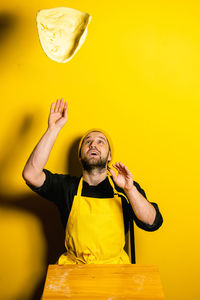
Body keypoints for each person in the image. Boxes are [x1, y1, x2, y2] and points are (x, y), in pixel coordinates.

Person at [22, 98, 163, 264]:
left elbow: (152, 222)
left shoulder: (126, 188)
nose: (93, 145)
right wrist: (54, 128)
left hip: (116, 273)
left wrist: (130, 190)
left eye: (100, 142)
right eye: (88, 142)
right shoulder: (67, 187)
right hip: (74, 272)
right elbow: (31, 174)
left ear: (109, 155)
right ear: (80, 156)